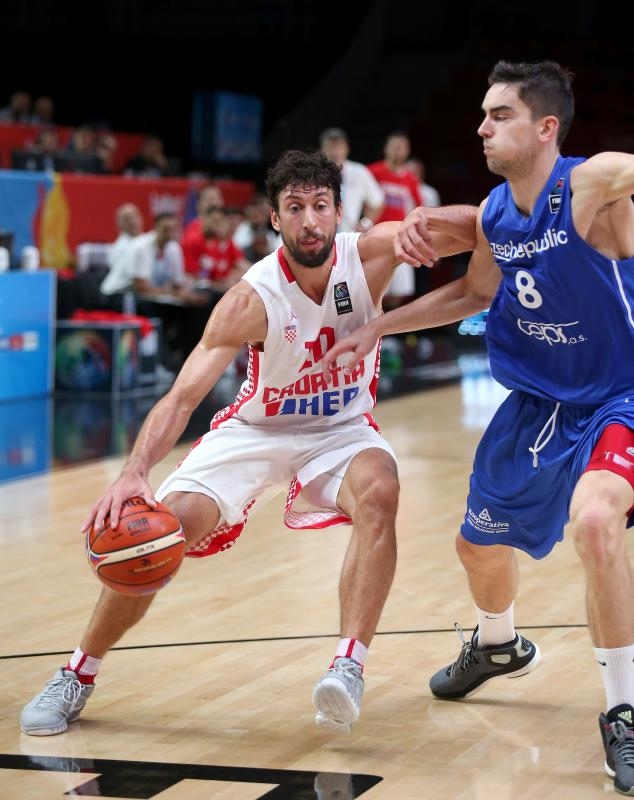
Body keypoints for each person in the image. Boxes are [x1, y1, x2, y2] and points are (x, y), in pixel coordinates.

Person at [19, 150, 476, 738]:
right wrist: (135, 470)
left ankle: (348, 666)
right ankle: (77, 673)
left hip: (340, 430)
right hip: (256, 429)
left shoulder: (372, 253)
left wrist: (427, 221)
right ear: (274, 218)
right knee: (159, 532)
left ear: (340, 211)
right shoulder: (249, 298)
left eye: (319, 206)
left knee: (380, 491)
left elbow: (489, 229)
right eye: (295, 208)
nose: (309, 221)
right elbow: (182, 398)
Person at [321, 61, 634, 794]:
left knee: (595, 524)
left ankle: (622, 710)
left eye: (499, 115)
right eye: (484, 115)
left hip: (618, 397)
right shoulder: (496, 214)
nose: (482, 127)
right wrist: (381, 327)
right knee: (475, 546)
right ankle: (499, 646)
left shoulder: (591, 185)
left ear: (545, 127)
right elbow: (472, 292)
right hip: (535, 404)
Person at [368, 132, 422, 306]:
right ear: (386, 149)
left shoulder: (410, 179)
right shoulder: (372, 172)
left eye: (402, 147)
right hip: (375, 236)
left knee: (399, 291)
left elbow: (418, 207)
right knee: (374, 286)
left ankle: (391, 331)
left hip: (400, 236)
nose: (398, 151)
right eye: (395, 146)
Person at [319, 127, 385, 234]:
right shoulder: (312, 173)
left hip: (348, 237)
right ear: (322, 150)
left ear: (347, 149)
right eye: (330, 147)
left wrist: (366, 223)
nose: (335, 153)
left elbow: (378, 202)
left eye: (339, 147)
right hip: (319, 237)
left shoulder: (359, 172)